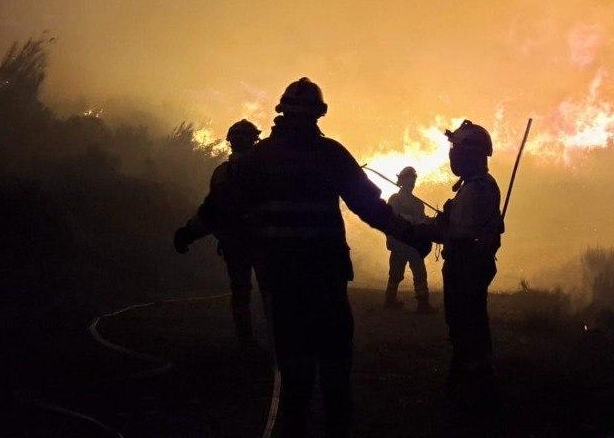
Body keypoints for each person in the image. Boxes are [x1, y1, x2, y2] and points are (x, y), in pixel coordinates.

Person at [177, 77, 430, 437]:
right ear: (320, 114)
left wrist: (189, 231)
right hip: (326, 277)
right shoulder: (330, 155)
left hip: (280, 279)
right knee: (334, 369)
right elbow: (369, 207)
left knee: (293, 371)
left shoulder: (258, 159)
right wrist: (412, 234)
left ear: (280, 112)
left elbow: (219, 206)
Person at [415, 120, 504, 389]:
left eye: (456, 148)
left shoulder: (477, 188)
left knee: (466, 323)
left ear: (470, 153)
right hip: (470, 263)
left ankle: (471, 382)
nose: (452, 153)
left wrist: (435, 226)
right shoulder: (475, 185)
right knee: (468, 321)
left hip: (468, 265)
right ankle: (474, 373)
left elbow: (457, 232)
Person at [173, 119, 263, 351]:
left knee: (242, 293)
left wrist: (188, 233)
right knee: (265, 292)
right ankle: (271, 341)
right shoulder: (267, 170)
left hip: (242, 243)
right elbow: (212, 210)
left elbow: (211, 211)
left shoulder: (225, 173)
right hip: (262, 244)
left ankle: (248, 341)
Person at [384, 166, 434, 312]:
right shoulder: (394, 200)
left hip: (412, 242)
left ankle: (422, 302)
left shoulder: (418, 204)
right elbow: (391, 219)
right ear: (402, 181)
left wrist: (431, 221)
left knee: (418, 269)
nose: (411, 182)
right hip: (398, 241)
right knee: (396, 272)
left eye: (413, 179)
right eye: (409, 179)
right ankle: (390, 300)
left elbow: (420, 221)